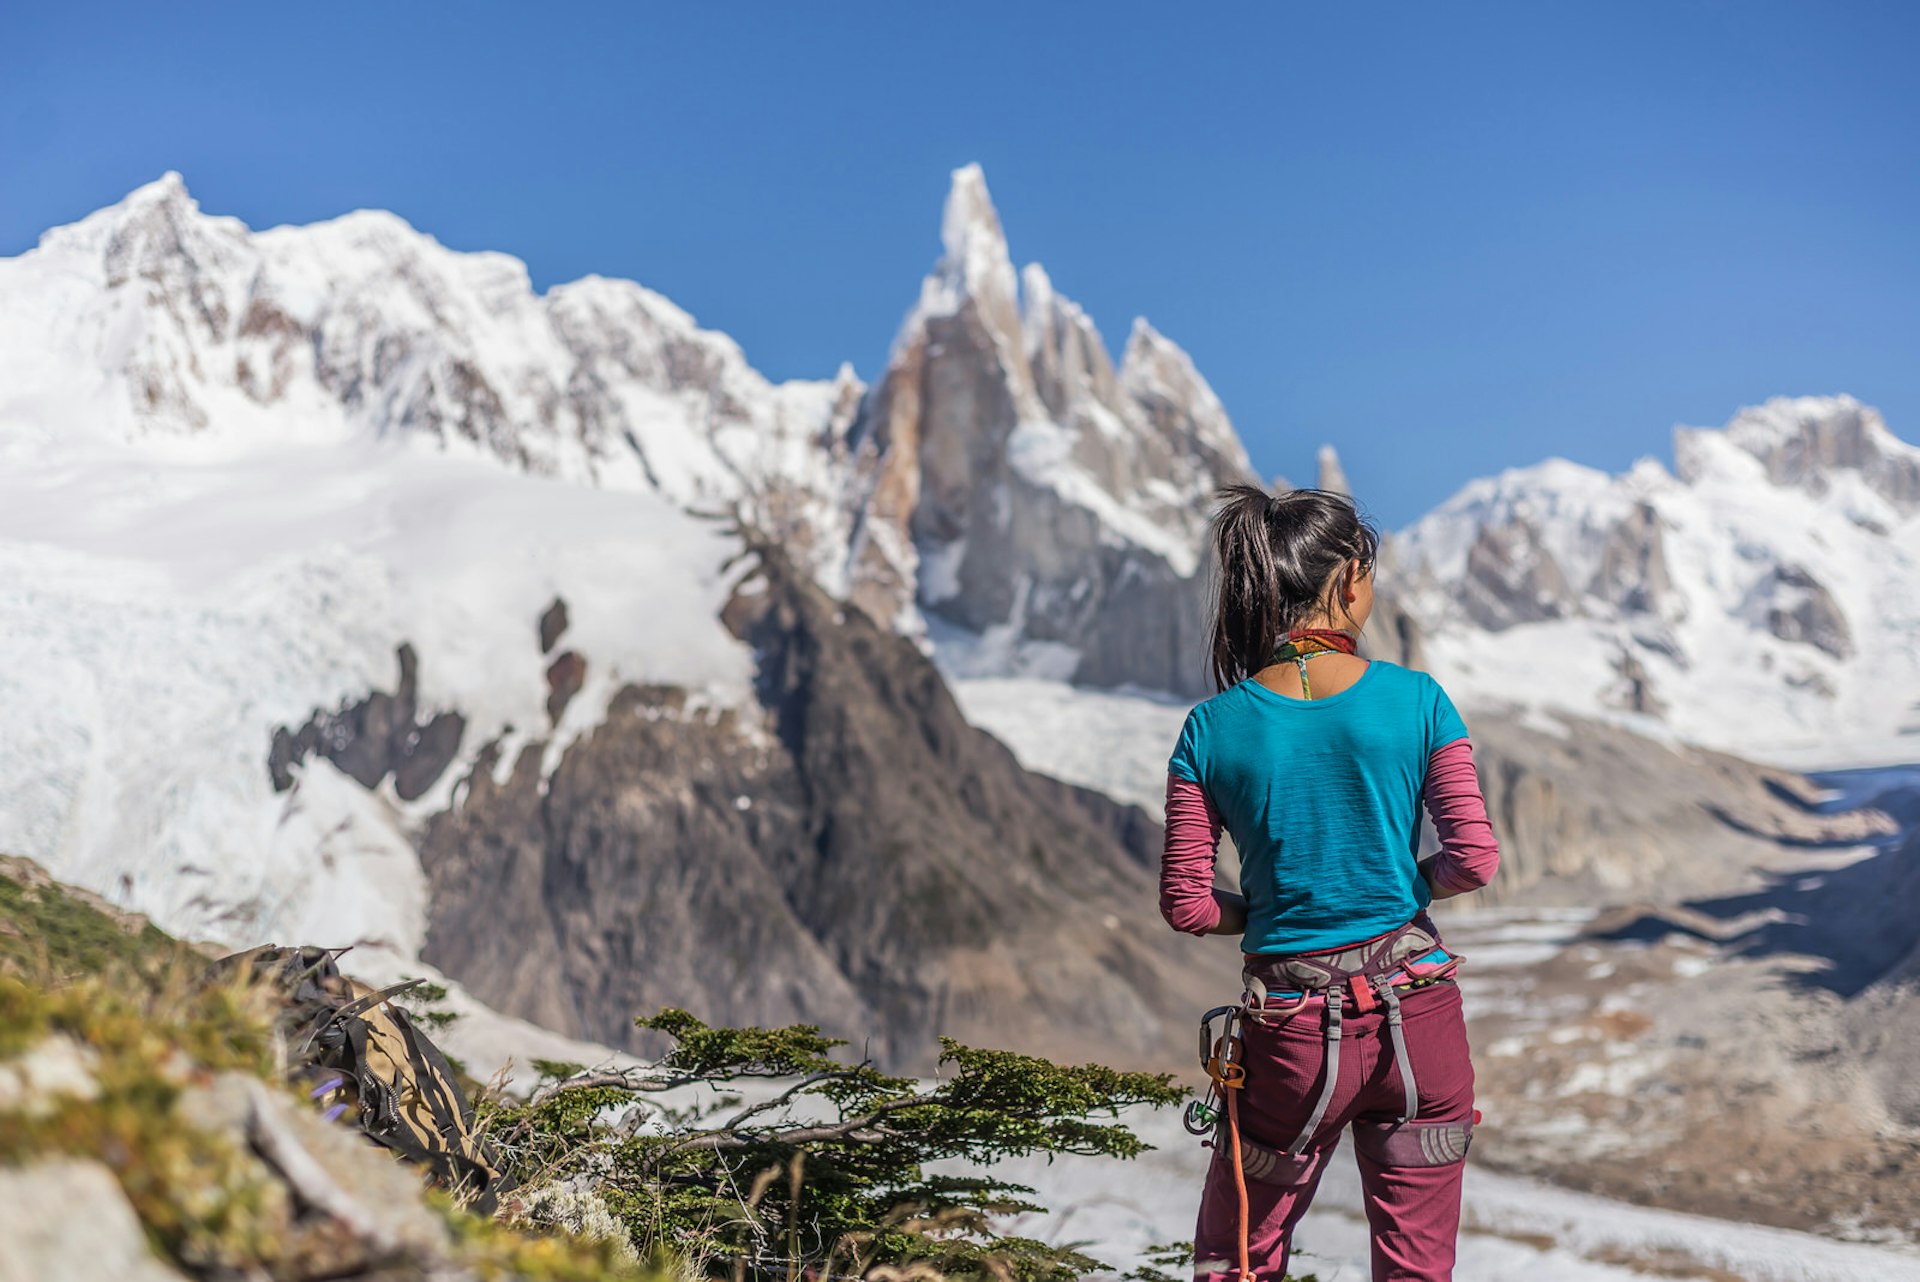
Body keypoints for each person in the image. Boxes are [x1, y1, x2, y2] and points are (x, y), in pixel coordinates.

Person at [1161, 485, 1500, 1282]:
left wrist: (1273, 909)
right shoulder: (1418, 701)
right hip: (1420, 1018)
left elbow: (1188, 903)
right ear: (1351, 579)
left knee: (1238, 1256)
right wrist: (1394, 887)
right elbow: (1474, 859)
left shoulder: (1211, 730)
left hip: (1292, 1034)